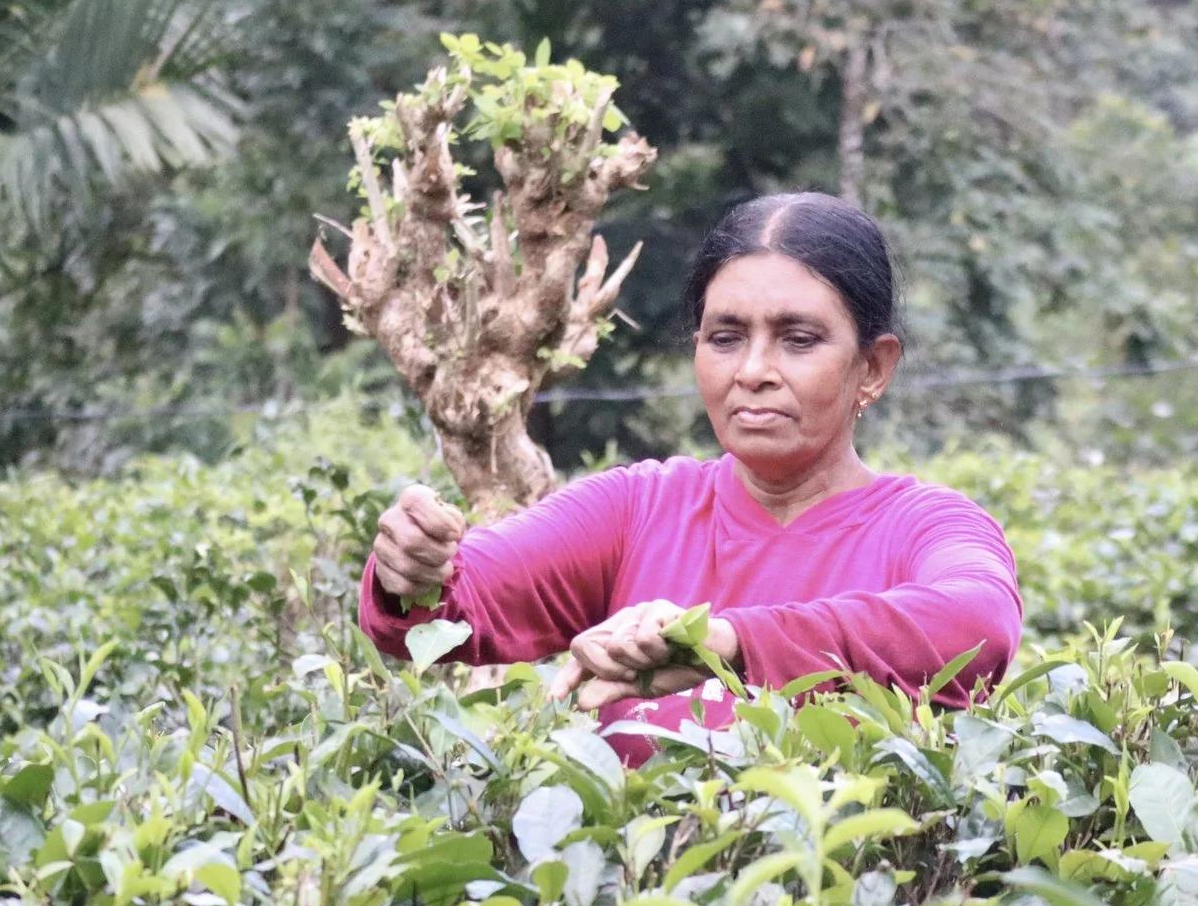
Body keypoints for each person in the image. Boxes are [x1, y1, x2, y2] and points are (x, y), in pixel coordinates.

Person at [355, 191, 1023, 763]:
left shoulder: (926, 526)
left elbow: (979, 623)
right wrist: (411, 568)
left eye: (798, 339)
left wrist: (733, 643)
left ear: (873, 367)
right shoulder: (636, 509)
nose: (753, 369)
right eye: (726, 337)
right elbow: (455, 603)